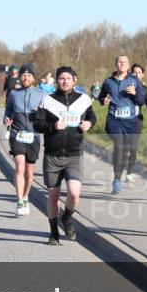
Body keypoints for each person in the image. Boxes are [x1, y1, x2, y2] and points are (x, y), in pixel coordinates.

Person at [33, 66, 97, 245]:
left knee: (74, 194)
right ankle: (53, 231)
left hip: (74, 154)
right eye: (61, 78)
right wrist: (53, 127)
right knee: (53, 196)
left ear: (74, 80)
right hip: (52, 155)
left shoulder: (83, 100)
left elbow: (92, 117)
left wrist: (89, 124)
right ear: (56, 81)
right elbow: (37, 125)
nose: (65, 81)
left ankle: (67, 218)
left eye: (68, 78)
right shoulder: (48, 101)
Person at [2, 64, 47, 216]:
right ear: (20, 77)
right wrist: (6, 118)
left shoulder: (42, 95)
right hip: (17, 134)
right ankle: (20, 201)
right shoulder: (14, 94)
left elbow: (49, 114)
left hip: (33, 136)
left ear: (33, 78)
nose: (25, 77)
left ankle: (26, 196)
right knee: (19, 168)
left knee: (29, 172)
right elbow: (8, 110)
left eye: (29, 75)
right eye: (23, 75)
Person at [97, 55, 145, 194]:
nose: (122, 64)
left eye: (125, 62)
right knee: (119, 146)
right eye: (119, 62)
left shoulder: (134, 80)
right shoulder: (108, 81)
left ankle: (117, 176)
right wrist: (103, 101)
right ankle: (117, 180)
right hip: (114, 118)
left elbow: (141, 100)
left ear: (128, 65)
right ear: (115, 64)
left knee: (125, 151)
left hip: (130, 120)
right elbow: (101, 97)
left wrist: (135, 93)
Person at [126, 63, 147, 182]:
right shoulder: (126, 85)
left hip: (137, 120)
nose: (136, 74)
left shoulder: (144, 88)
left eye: (139, 72)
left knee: (134, 147)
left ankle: (129, 172)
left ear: (143, 75)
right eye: (134, 72)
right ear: (130, 73)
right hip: (123, 120)